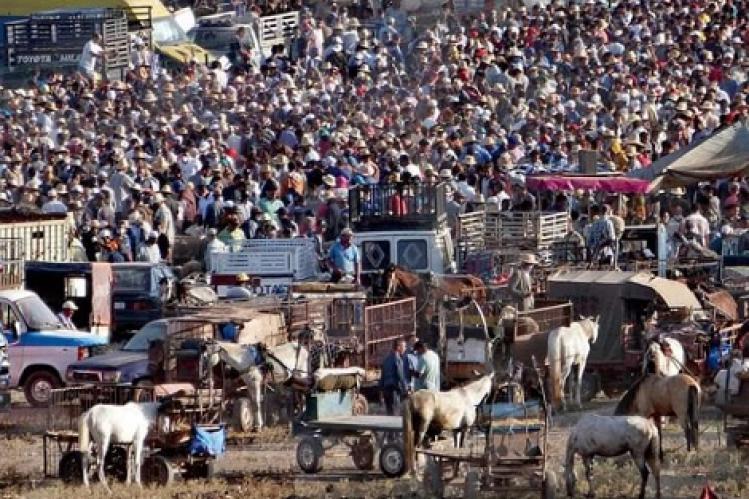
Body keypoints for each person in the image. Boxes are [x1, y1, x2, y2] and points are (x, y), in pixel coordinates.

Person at [379, 339, 408, 415]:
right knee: (395, 413)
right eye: (404, 346)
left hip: (386, 389)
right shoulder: (398, 359)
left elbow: (382, 377)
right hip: (394, 390)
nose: (405, 349)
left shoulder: (386, 359)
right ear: (398, 347)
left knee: (389, 413)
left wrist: (381, 390)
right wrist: (406, 389)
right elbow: (401, 375)